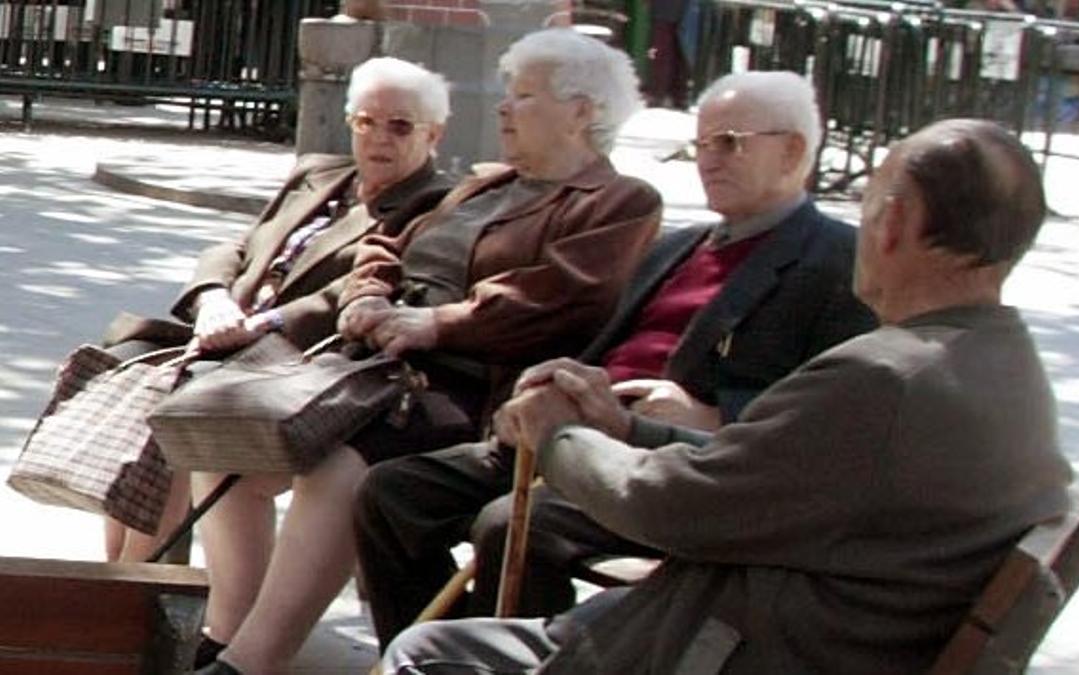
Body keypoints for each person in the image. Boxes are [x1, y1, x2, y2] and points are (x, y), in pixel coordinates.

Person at [377, 117, 1075, 674]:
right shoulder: (1005, 363)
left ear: (890, 224)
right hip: (800, 632)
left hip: (730, 648)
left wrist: (559, 438)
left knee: (426, 655)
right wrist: (624, 427)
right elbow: (769, 467)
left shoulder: (884, 377)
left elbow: (672, 505)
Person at [192, 28, 662, 675]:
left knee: (343, 467)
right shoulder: (485, 182)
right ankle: (227, 628)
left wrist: (436, 322)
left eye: (523, 96)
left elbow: (562, 295)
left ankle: (252, 660)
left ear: (583, 112)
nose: (502, 109)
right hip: (372, 364)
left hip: (468, 388)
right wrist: (367, 295)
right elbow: (386, 241)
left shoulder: (618, 202)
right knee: (229, 444)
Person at [352, 70, 877, 644]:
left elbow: (833, 415)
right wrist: (543, 387)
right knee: (390, 493)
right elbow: (596, 342)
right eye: (700, 145)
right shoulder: (681, 245)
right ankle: (448, 655)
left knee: (514, 525)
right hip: (574, 433)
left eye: (729, 143)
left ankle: (520, 659)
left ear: (794, 150)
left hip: (675, 470)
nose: (708, 160)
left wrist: (717, 414)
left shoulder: (835, 263)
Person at [98, 56, 455, 564]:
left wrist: (260, 322)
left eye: (400, 126)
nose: (379, 138)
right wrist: (213, 298)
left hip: (299, 356)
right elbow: (237, 247)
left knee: (179, 396)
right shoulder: (318, 173)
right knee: (127, 366)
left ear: (434, 135)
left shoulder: (434, 205)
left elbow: (360, 294)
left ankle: (136, 583)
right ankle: (123, 574)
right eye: (365, 122)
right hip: (224, 331)